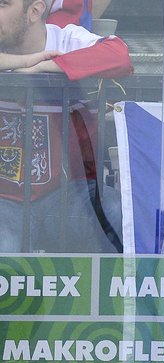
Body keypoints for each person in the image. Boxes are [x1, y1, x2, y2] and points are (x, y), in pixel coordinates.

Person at [0, 0, 131, 254]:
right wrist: (26, 62)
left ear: (35, 11)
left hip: (66, 194)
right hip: (5, 200)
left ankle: (123, 294)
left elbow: (119, 55)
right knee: (5, 245)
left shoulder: (66, 39)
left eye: (3, 4)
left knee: (118, 212)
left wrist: (51, 65)